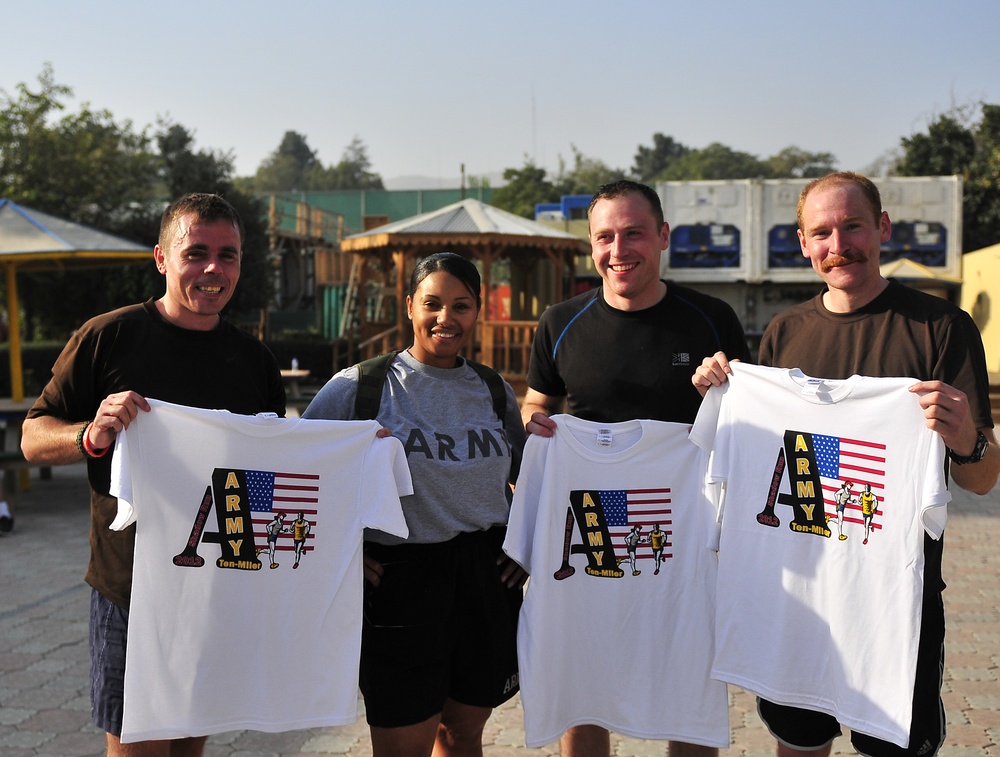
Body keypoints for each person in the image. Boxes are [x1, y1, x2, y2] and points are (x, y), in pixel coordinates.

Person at [693, 171, 999, 757]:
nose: (840, 245)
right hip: (801, 602)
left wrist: (966, 439)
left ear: (881, 228)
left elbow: (982, 480)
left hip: (894, 600)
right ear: (804, 244)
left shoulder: (941, 329)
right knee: (798, 745)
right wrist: (721, 391)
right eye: (822, 233)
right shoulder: (784, 334)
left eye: (853, 226)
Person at [20, 193, 285, 757]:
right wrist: (90, 434)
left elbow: (257, 480)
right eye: (197, 253)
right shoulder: (107, 337)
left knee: (191, 747)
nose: (214, 269)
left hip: (214, 592)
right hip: (131, 594)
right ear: (161, 258)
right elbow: (32, 436)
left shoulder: (254, 361)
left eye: (229, 255)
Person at [522, 179, 750, 757]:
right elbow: (537, 402)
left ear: (663, 237)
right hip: (588, 522)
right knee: (585, 677)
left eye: (634, 234)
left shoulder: (711, 319)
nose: (619, 249)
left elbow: (750, 425)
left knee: (690, 672)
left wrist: (727, 386)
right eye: (605, 237)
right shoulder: (560, 322)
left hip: (685, 527)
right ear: (591, 246)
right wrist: (534, 424)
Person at [302, 251, 526, 757]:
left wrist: (523, 544)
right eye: (433, 303)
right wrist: (342, 555)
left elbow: (529, 479)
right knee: (404, 744)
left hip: (484, 579)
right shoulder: (359, 387)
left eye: (461, 306)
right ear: (409, 306)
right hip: (402, 583)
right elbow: (299, 470)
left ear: (477, 312)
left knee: (463, 734)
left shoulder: (493, 390)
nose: (446, 318)